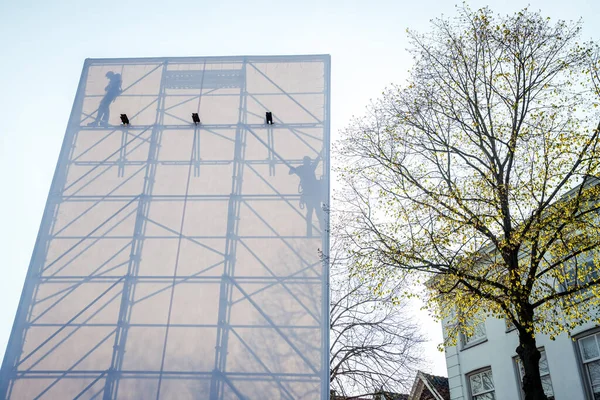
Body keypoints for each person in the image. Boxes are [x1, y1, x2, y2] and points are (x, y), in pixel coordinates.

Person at [289, 154, 325, 237]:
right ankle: (320, 228)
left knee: (312, 212)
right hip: (313, 194)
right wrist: (320, 154)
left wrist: (293, 169)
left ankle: (311, 231)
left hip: (310, 195)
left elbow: (291, 172)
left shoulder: (301, 169)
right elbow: (316, 162)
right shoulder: (309, 168)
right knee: (316, 211)